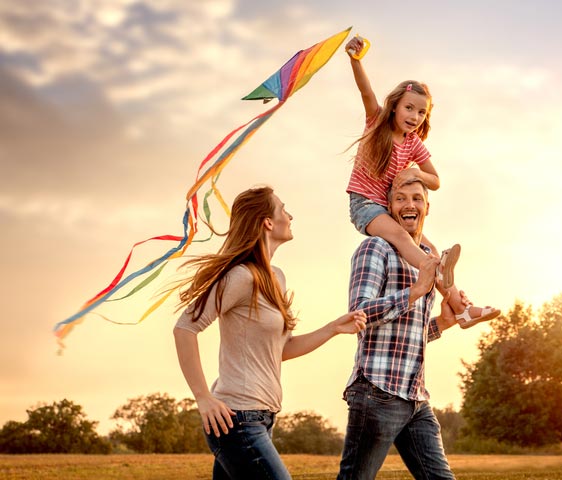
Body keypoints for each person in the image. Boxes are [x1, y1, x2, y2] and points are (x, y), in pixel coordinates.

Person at [173, 186, 367, 480]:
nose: (290, 216)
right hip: (237, 420)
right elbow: (185, 328)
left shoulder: (276, 277)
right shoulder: (240, 276)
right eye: (283, 209)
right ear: (267, 222)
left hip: (262, 419)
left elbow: (281, 350)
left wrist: (332, 329)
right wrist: (203, 398)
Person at [343, 35, 499, 329]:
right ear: (394, 107)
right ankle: (434, 268)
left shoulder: (413, 143)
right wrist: (356, 60)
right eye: (409, 108)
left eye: (421, 112)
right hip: (365, 205)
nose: (414, 116)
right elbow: (366, 92)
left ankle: (462, 310)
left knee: (429, 249)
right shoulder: (377, 122)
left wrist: (416, 173)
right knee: (405, 241)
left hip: (388, 210)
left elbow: (435, 180)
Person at [337, 176, 461, 480]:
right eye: (401, 198)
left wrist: (442, 323)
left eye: (417, 198)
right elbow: (359, 313)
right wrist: (415, 291)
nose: (410, 205)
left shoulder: (426, 259)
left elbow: (406, 336)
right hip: (377, 392)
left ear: (427, 208)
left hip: (415, 398)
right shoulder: (375, 248)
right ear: (389, 208)